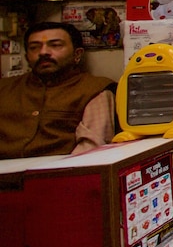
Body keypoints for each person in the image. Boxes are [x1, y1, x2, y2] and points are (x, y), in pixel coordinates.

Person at [0, 22, 116, 159]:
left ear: (77, 54)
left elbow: (92, 148)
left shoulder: (95, 89)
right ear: (27, 57)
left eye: (55, 45)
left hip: (62, 175)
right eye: (34, 47)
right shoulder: (5, 88)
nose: (43, 52)